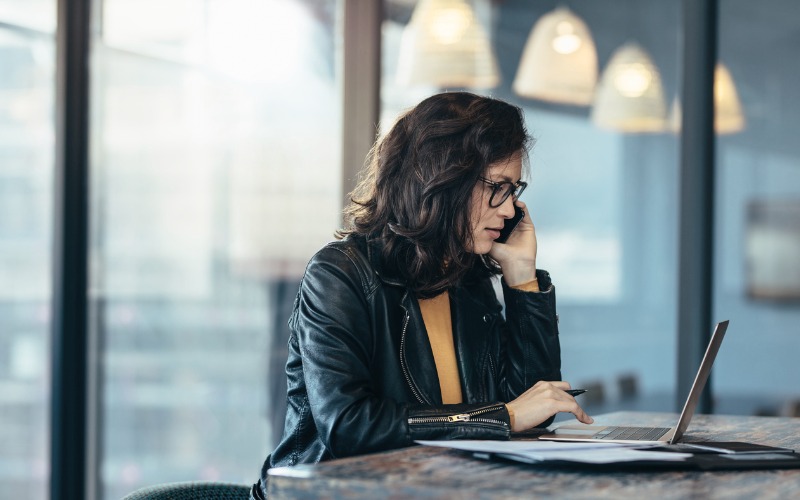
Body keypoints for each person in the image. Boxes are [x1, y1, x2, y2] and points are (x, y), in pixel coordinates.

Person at [251, 92, 592, 499]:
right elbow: (348, 426)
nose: (509, 210)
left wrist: (520, 278)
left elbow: (532, 409)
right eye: (498, 187)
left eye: (514, 189)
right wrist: (502, 416)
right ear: (444, 180)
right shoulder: (340, 273)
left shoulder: (467, 280)